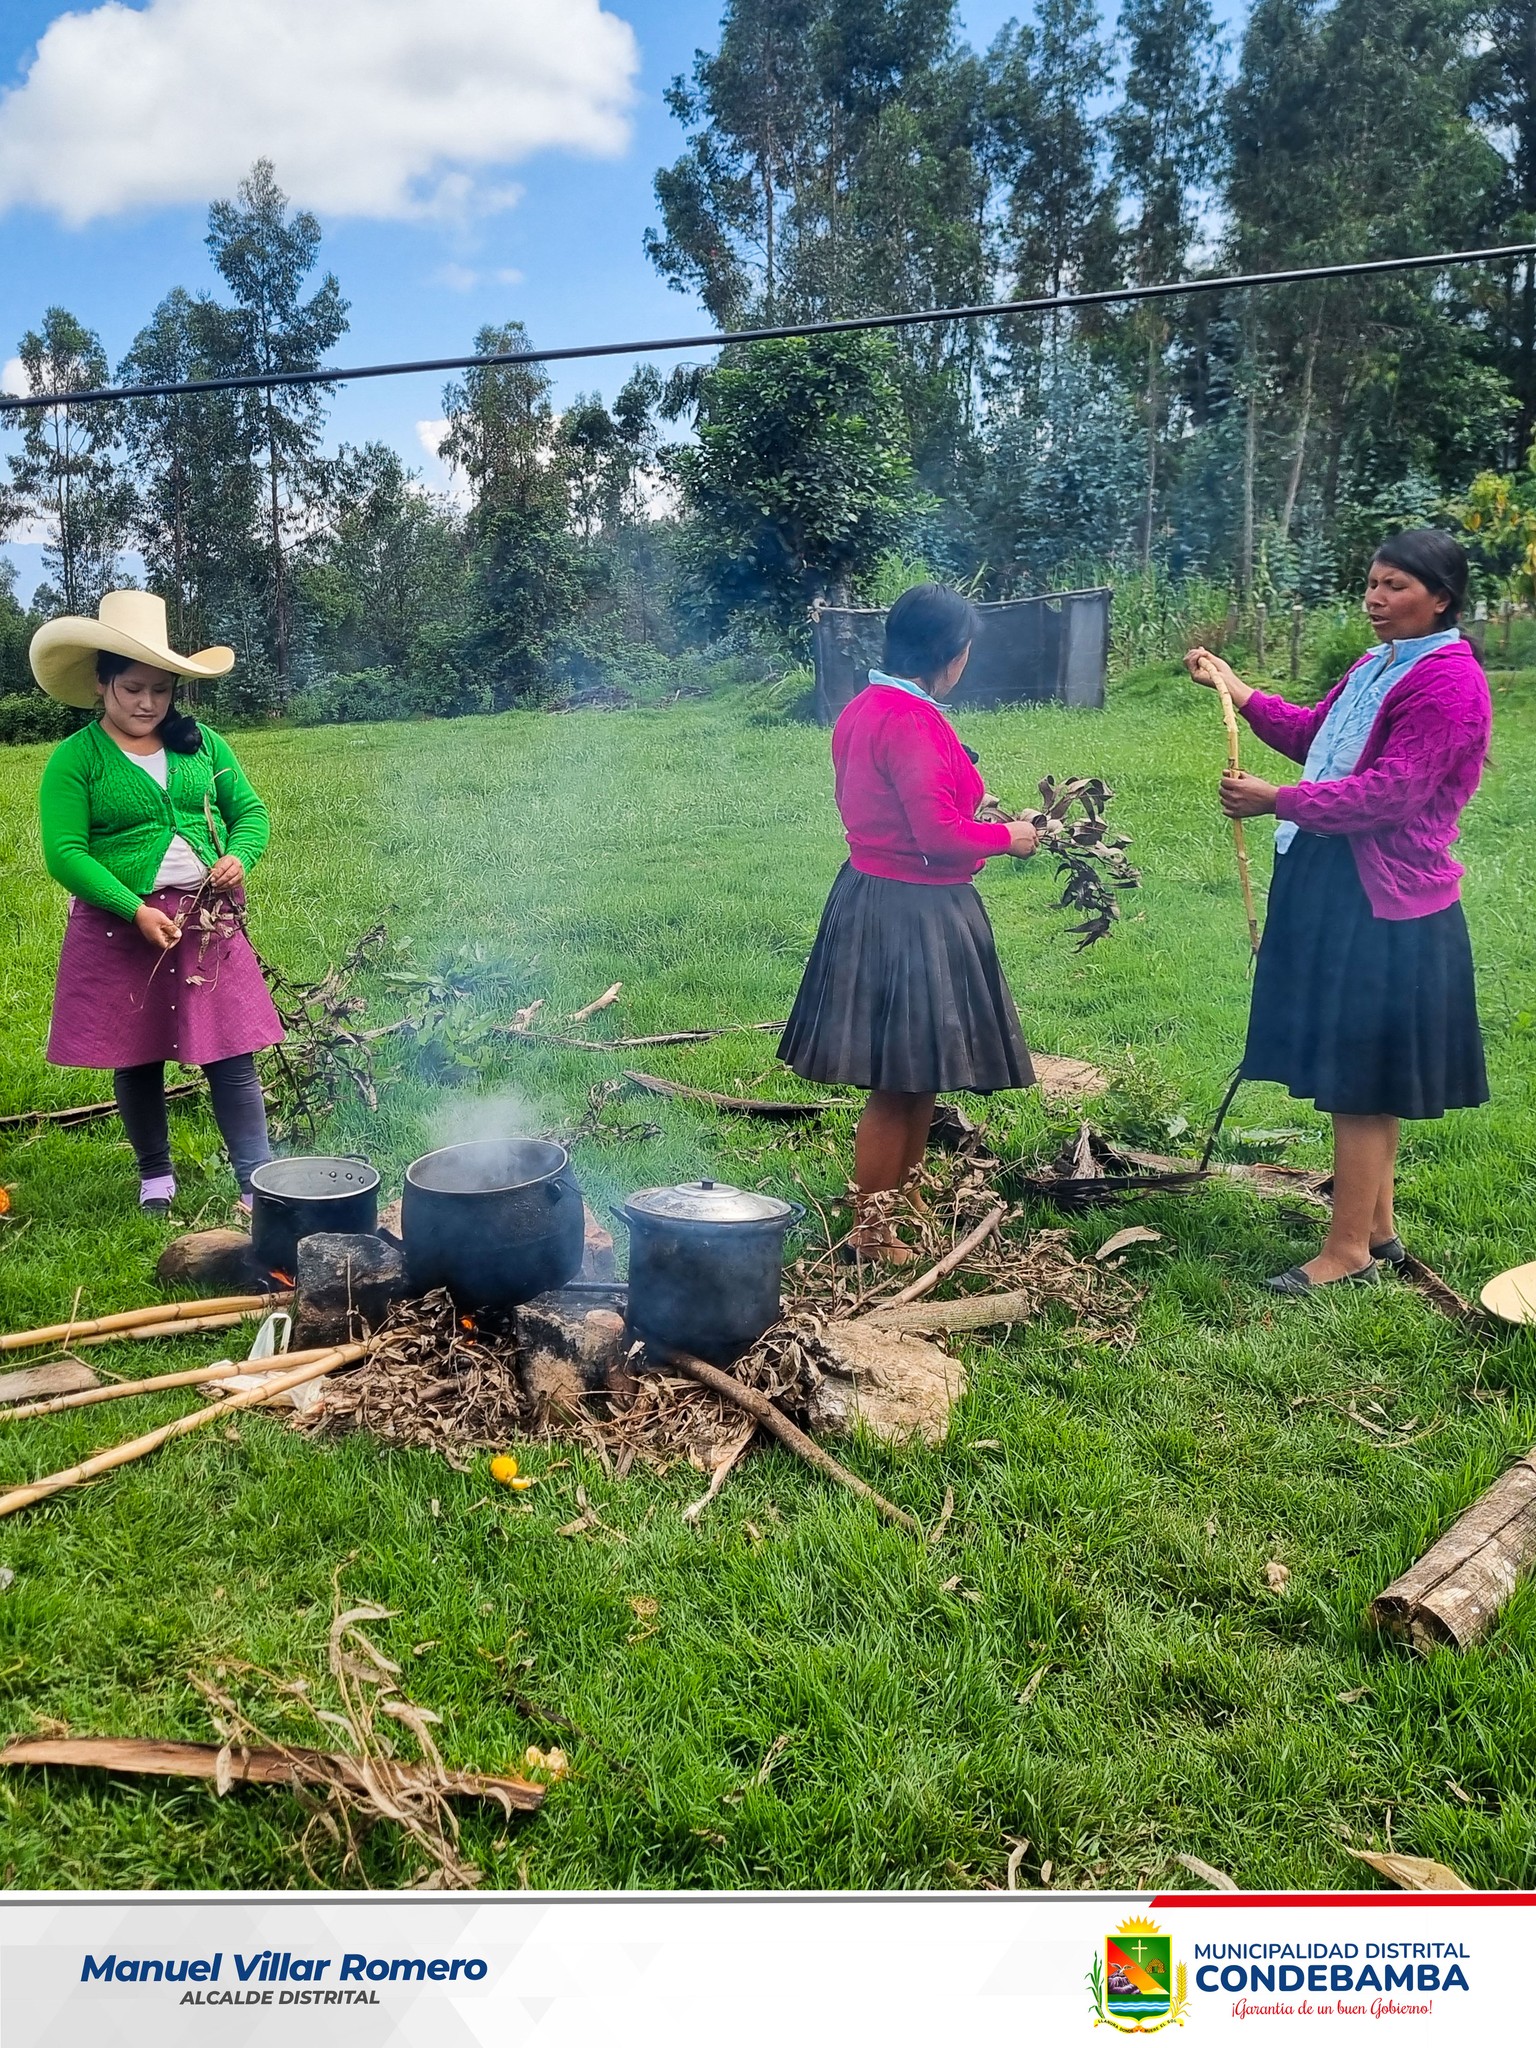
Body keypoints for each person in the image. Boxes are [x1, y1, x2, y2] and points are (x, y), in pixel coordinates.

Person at [1185, 531, 1491, 1293]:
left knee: (1363, 1074)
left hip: (1387, 900)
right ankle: (1377, 1227)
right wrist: (1241, 690)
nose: (1375, 599)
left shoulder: (1448, 683)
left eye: (1395, 587)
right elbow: (1318, 735)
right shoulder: (1380, 664)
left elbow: (1393, 793)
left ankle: (1346, 1249)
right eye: (1373, 583)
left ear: (1441, 599)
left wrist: (1276, 800)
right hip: (1342, 882)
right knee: (1363, 1069)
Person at [779, 583, 1039, 1262]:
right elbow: (939, 837)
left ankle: (907, 1191)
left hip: (876, 894)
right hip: (912, 909)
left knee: (918, 1068)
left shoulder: (866, 707)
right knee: (897, 1083)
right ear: (949, 655)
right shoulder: (914, 721)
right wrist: (1007, 835)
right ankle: (870, 1230)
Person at [31, 590, 284, 1216]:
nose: (147, 703)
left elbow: (249, 814)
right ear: (101, 683)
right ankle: (155, 1176)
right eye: (132, 688)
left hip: (205, 918)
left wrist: (240, 857)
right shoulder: (76, 759)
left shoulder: (204, 746)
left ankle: (257, 1180)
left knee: (230, 1048)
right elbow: (65, 853)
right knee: (135, 1050)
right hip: (122, 924)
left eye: (161, 690)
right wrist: (134, 908)